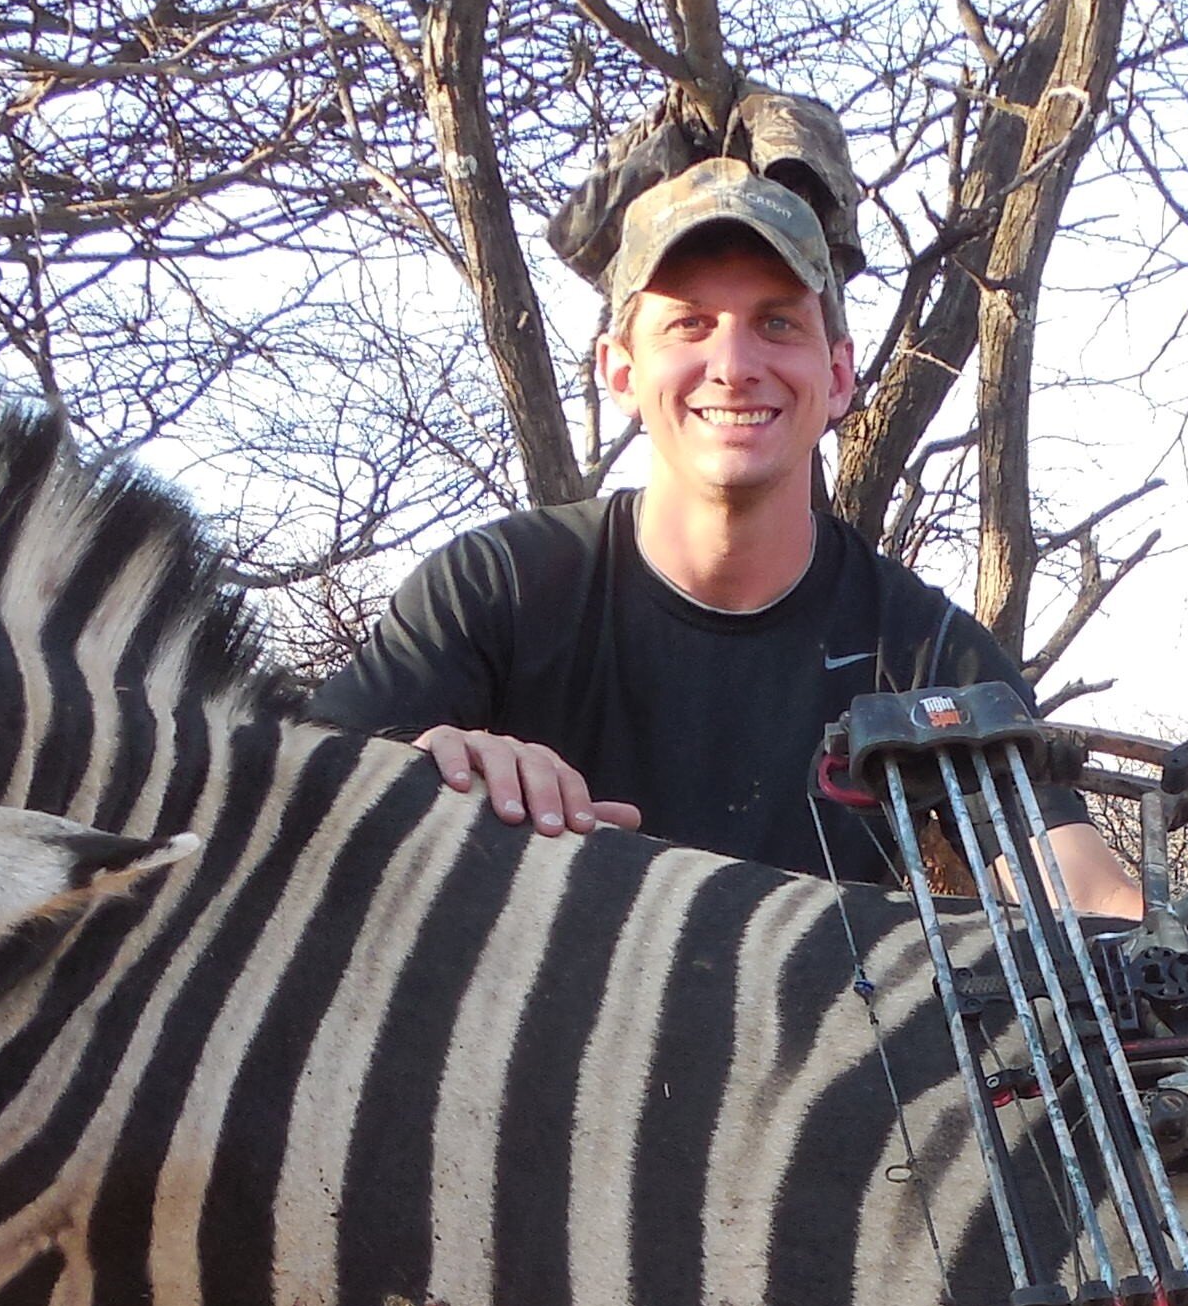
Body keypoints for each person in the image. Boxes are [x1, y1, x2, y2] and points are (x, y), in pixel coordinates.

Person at [313, 139, 1136, 914]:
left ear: (838, 375)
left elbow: (1073, 881)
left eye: (778, 322)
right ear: (621, 372)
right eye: (689, 324)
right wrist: (432, 764)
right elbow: (301, 805)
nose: (736, 365)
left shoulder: (924, 649)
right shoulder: (492, 586)